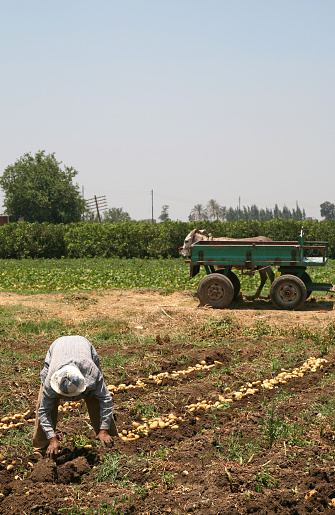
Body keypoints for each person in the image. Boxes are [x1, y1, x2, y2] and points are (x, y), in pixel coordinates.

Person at [33, 335, 117, 456]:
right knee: (43, 404)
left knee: (97, 399)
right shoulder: (50, 381)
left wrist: (104, 428)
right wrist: (52, 437)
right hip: (58, 348)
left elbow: (106, 400)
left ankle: (109, 438)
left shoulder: (91, 375)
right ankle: (41, 449)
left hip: (83, 346)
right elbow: (43, 411)